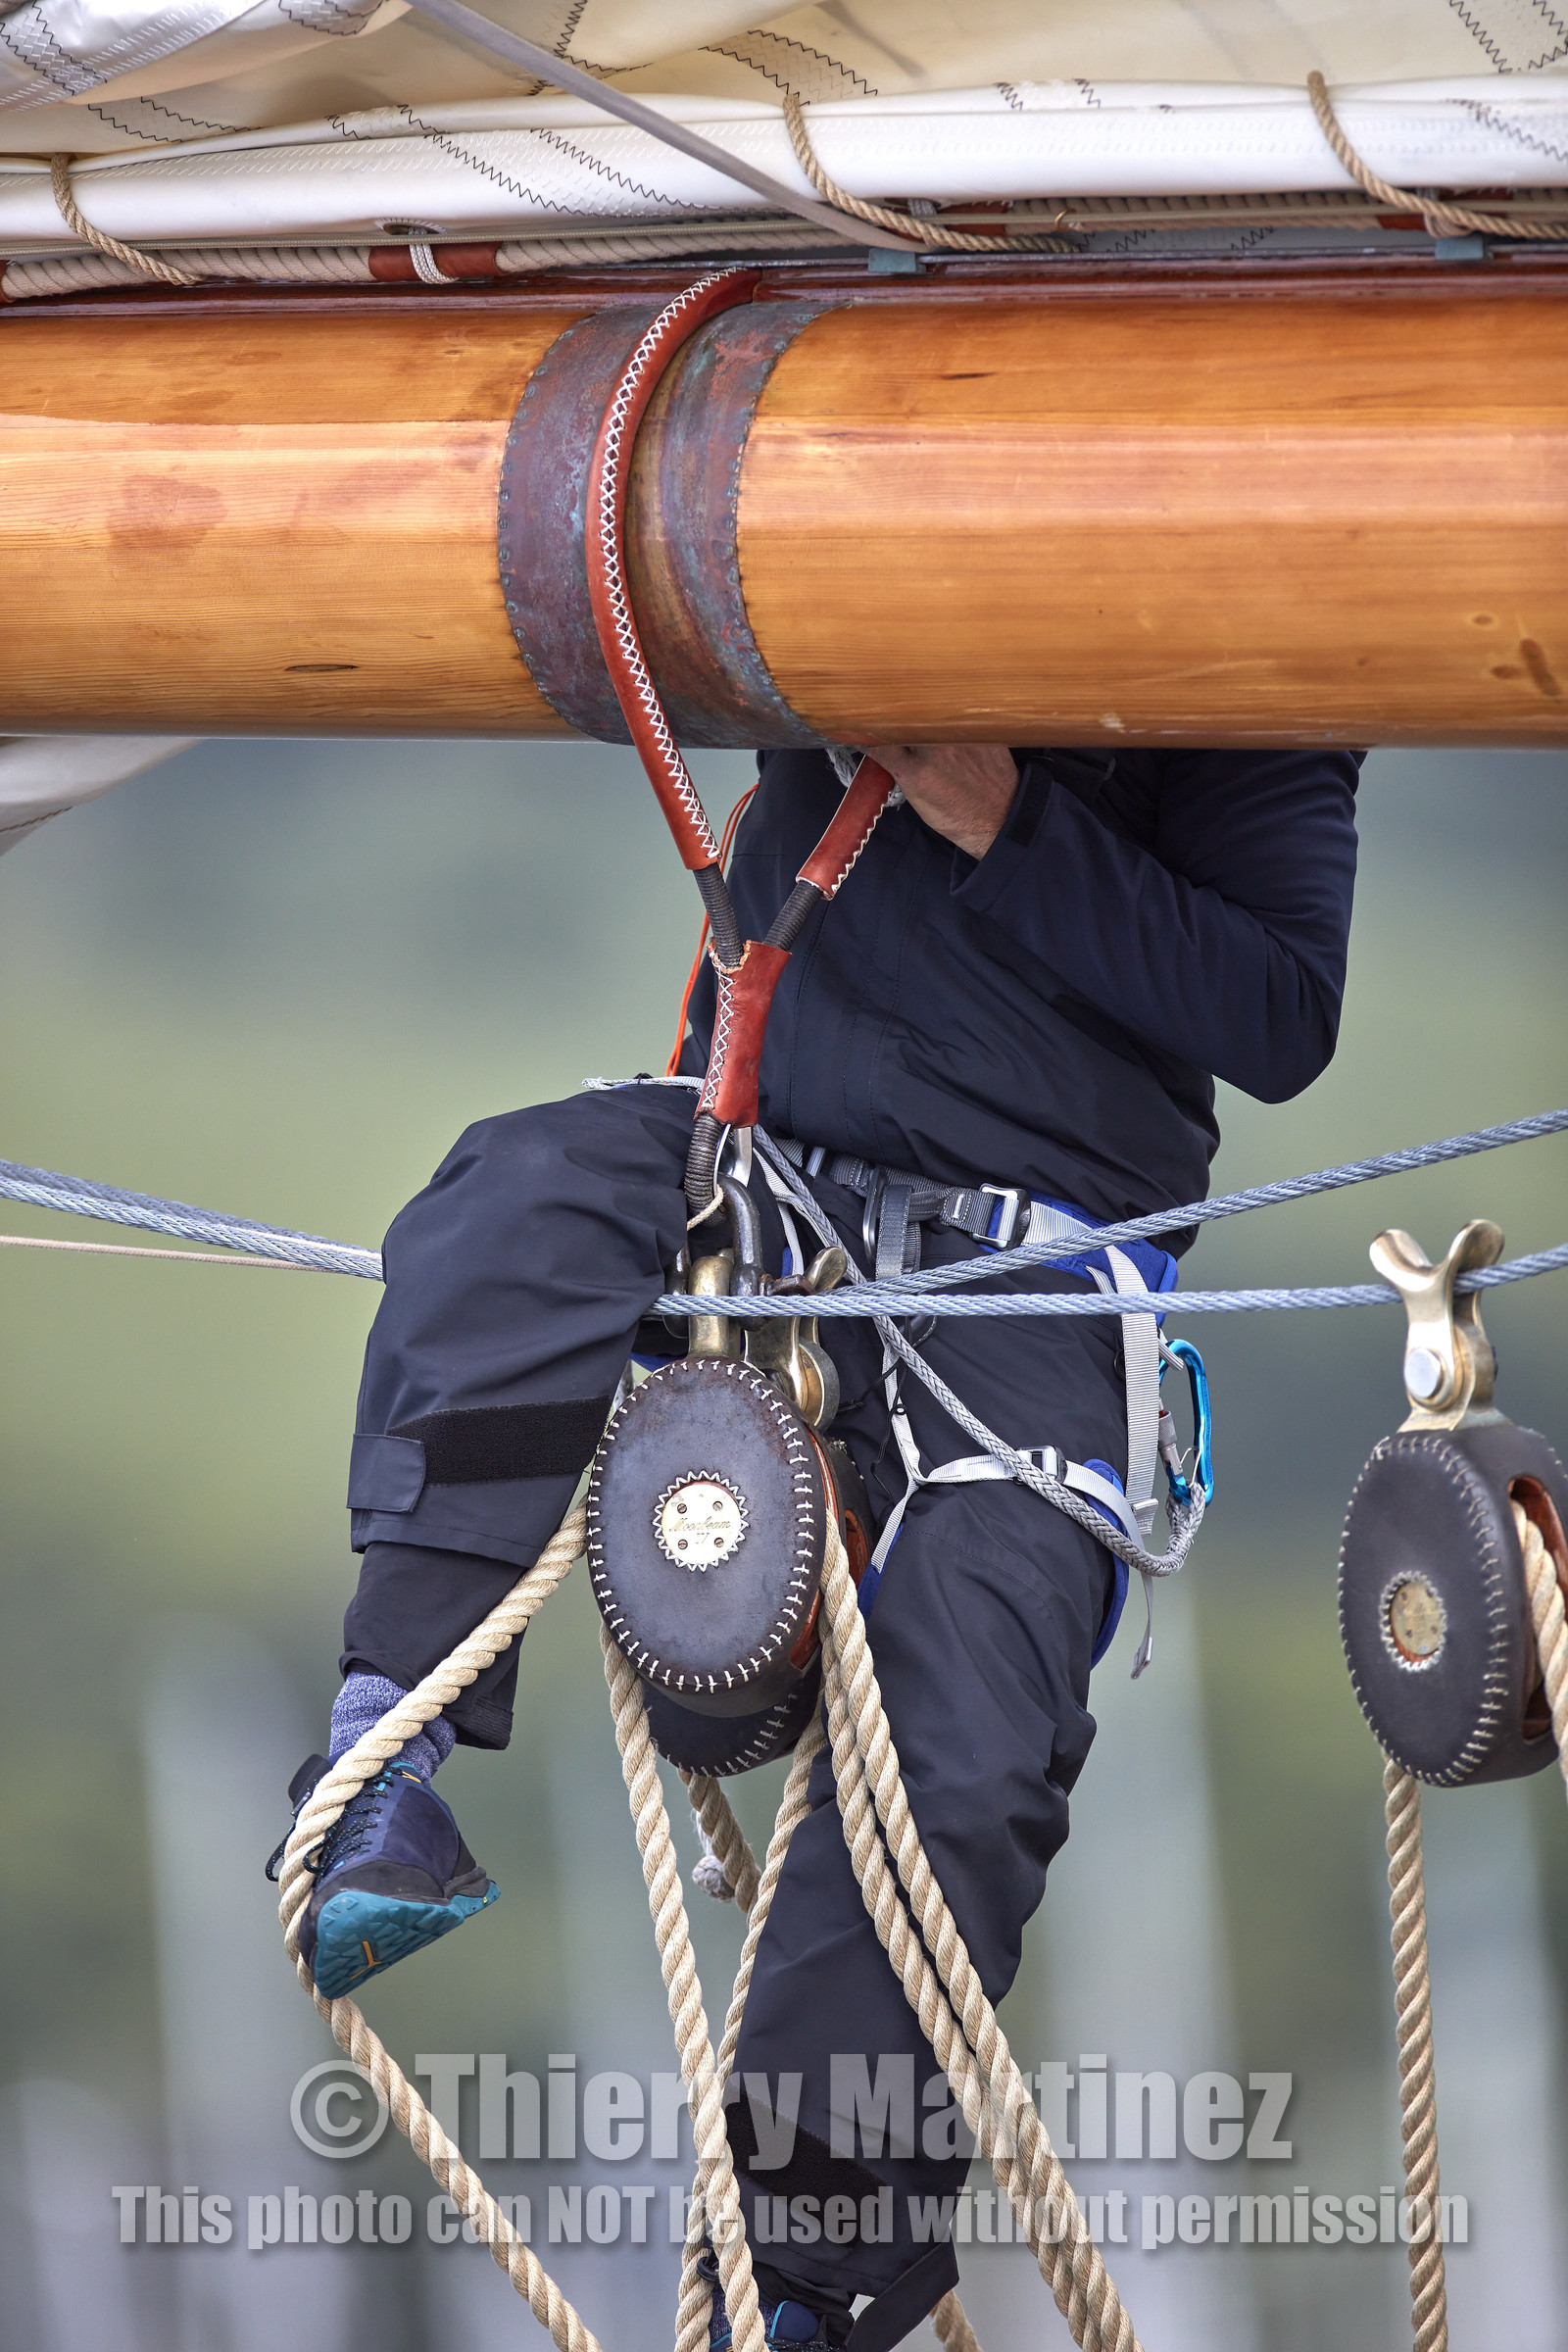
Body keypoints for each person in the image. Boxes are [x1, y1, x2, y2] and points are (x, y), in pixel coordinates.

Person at [270, 741, 1359, 2351]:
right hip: (753, 1174)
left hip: (1023, 1278)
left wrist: (1011, 819)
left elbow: (1281, 1014)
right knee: (510, 1208)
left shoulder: (1242, 665)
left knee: (965, 1762)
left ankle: (809, 2273)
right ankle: (386, 1762)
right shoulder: (849, 538)